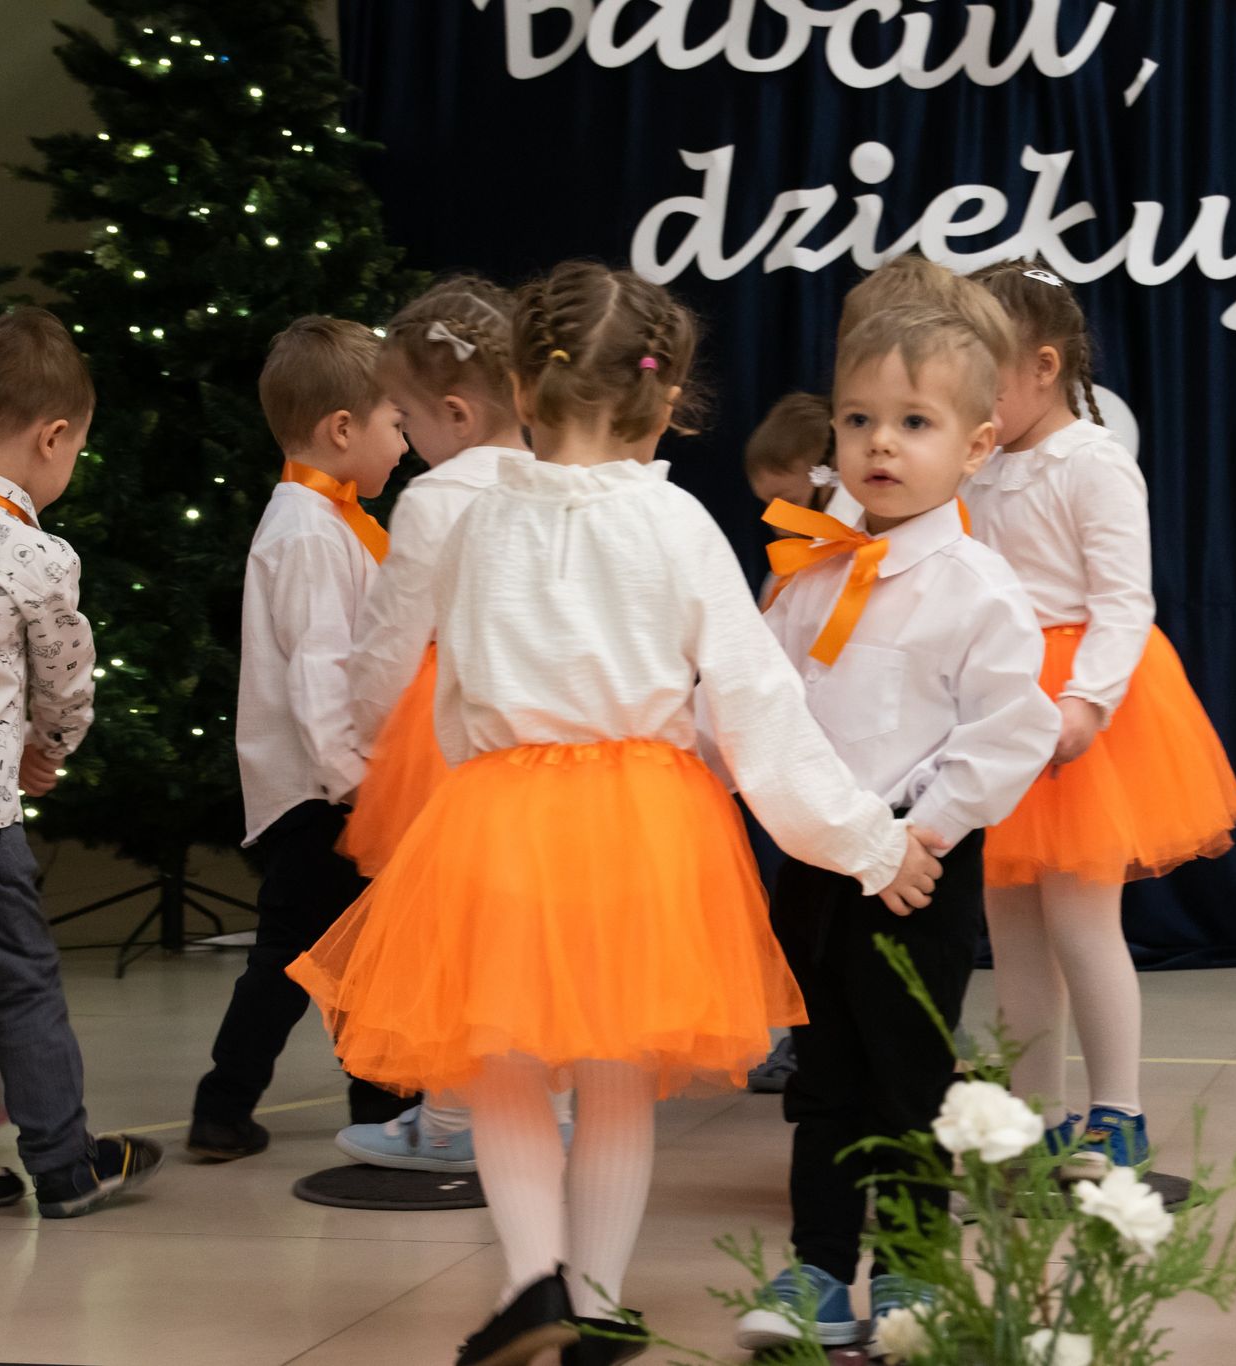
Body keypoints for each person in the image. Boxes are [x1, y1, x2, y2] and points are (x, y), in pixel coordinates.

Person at [286, 261, 943, 1366]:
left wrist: (377, 754)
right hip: (644, 827)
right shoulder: (675, 521)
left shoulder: (469, 519)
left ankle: (530, 1282)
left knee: (502, 1070)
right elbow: (758, 707)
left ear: (520, 389)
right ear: (665, 395)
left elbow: (415, 683)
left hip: (494, 817)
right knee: (616, 1082)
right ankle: (592, 1303)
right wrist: (867, 842)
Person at [735, 303, 1058, 1352]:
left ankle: (915, 1274)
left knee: (908, 1079)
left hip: (920, 871)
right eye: (859, 419)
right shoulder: (807, 574)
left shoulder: (978, 588)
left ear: (974, 446)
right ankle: (820, 1270)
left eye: (914, 423)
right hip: (816, 862)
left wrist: (927, 829)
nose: (880, 443)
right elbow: (762, 701)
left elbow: (1011, 729)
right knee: (822, 1077)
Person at [963, 257, 1236, 1175]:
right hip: (1000, 702)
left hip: (1079, 703)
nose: (968, 398)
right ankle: (1033, 1116)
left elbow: (1125, 600)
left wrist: (1085, 699)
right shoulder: (975, 462)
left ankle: (1116, 1112)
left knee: (1084, 927)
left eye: (984, 376)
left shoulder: (1091, 462)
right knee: (1010, 936)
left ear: (1043, 367)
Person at [0, 308, 162, 1217]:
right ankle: (64, 1164)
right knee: (20, 985)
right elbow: (65, 680)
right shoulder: (34, 554)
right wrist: (47, 749)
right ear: (52, 438)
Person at [330, 277, 564, 1175]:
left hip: (452, 733)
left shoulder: (435, 499)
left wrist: (367, 732)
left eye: (405, 416)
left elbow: (392, 637)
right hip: (551, 737)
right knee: (535, 936)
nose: (406, 437)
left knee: (455, 938)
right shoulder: (561, 482)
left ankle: (453, 1119)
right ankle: (552, 1109)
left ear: (456, 414)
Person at [188, 316, 410, 1161]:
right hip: (325, 792)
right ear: (342, 429)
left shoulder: (324, 521)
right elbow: (321, 676)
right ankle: (360, 1104)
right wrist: (357, 786)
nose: (405, 445)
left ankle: (243, 1106)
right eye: (396, 424)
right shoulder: (312, 532)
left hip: (322, 788)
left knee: (317, 949)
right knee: (323, 951)